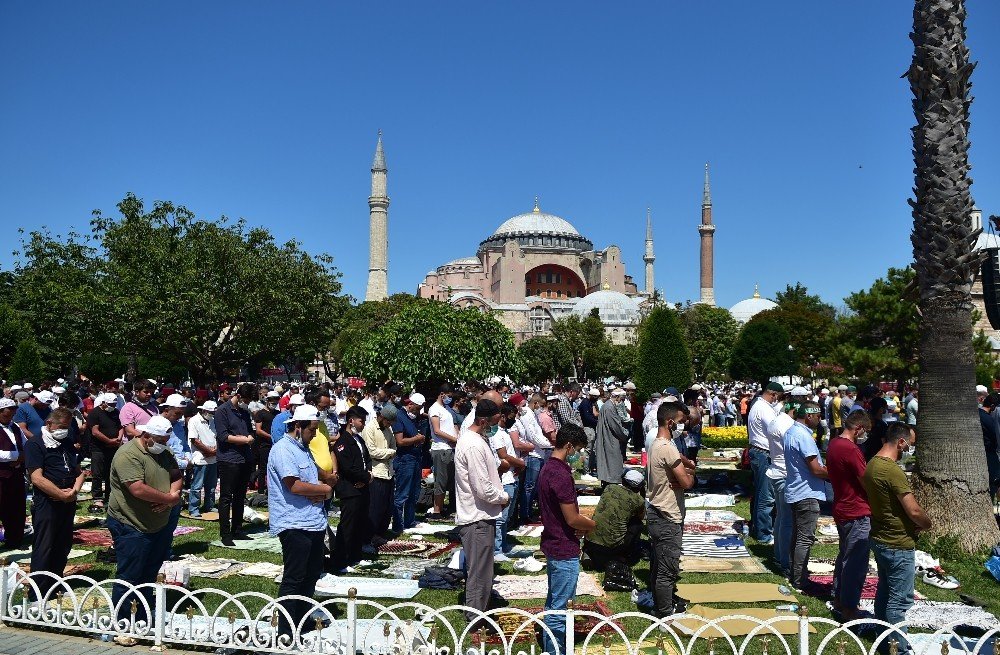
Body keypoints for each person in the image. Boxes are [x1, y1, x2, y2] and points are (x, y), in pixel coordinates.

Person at [106, 415, 181, 642]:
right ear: (146, 436)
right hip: (131, 523)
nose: (164, 444)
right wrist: (168, 499)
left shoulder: (163, 452)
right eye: (160, 439)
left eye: (166, 440)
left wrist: (174, 495)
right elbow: (137, 489)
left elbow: (176, 475)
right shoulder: (128, 455)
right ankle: (122, 624)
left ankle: (142, 618)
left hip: (158, 524)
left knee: (149, 572)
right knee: (130, 574)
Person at [863, 422, 931, 654]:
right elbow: (913, 510)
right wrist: (926, 523)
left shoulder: (872, 464)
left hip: (882, 536)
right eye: (910, 444)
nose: (909, 449)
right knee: (898, 601)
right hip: (897, 541)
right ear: (901, 442)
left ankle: (884, 642)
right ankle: (897, 649)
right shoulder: (892, 470)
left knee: (885, 593)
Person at [267, 404, 332, 639]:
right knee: (294, 577)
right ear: (297, 426)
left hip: (312, 520)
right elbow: (293, 485)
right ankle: (285, 629)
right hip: (294, 523)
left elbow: (310, 480)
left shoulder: (303, 449)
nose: (314, 434)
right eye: (311, 430)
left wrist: (320, 489)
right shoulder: (283, 449)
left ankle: (301, 619)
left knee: (312, 572)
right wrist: (323, 489)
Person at [538, 423, 595, 655]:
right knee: (559, 608)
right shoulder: (560, 474)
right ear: (569, 446)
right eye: (578, 450)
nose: (578, 456)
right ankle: (555, 650)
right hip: (563, 547)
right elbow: (572, 518)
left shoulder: (547, 468)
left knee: (554, 601)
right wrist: (592, 525)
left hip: (554, 541)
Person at [453, 399, 510, 620]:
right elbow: (482, 487)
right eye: (494, 422)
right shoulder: (473, 444)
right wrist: (503, 497)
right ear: (483, 420)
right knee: (479, 572)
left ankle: (480, 610)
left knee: (483, 569)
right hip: (477, 516)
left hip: (481, 514)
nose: (496, 426)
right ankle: (475, 616)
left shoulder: (477, 439)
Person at [25, 407, 84, 599]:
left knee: (62, 543)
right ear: (49, 424)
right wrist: (59, 494)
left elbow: (79, 471)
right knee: (45, 546)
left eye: (67, 427)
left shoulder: (65, 442)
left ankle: (55, 584)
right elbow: (37, 478)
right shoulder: (35, 444)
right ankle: (38, 591)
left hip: (67, 498)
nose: (64, 430)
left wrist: (73, 492)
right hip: (47, 501)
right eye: (61, 426)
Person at [646, 402, 695, 617]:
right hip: (667, 515)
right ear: (670, 421)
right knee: (667, 568)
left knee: (659, 564)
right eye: (681, 421)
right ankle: (665, 613)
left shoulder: (657, 445)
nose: (682, 425)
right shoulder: (666, 447)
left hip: (658, 511)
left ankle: (663, 603)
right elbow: (686, 483)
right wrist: (691, 475)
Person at [825, 411, 873, 621]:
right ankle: (849, 607)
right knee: (855, 561)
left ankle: (839, 597)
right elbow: (865, 480)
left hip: (843, 506)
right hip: (856, 509)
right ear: (859, 428)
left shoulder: (834, 444)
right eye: (866, 432)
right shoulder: (850, 449)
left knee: (845, 555)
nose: (865, 436)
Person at [782, 400, 827, 591]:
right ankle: (800, 579)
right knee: (804, 538)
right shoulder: (804, 436)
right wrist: (839, 476)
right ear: (809, 415)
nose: (819, 420)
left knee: (798, 536)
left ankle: (794, 573)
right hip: (806, 492)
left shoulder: (791, 432)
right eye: (817, 416)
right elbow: (816, 469)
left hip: (796, 489)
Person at [214, 383, 256, 546]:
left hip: (245, 457)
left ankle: (237, 529)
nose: (248, 403)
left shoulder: (244, 412)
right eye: (246, 399)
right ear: (238, 395)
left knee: (240, 496)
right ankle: (225, 533)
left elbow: (249, 431)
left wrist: (249, 437)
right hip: (228, 458)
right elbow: (224, 436)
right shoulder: (222, 411)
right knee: (226, 497)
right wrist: (244, 440)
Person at [331, 406, 372, 573]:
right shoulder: (342, 443)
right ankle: (341, 559)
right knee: (347, 526)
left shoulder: (359, 439)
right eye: (361, 420)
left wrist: (367, 476)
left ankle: (356, 555)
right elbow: (348, 468)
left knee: (360, 524)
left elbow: (367, 459)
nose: (363, 424)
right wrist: (364, 477)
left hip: (362, 488)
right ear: (351, 421)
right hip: (350, 489)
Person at [582, 469, 646, 569]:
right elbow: (641, 517)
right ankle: (623, 555)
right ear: (639, 487)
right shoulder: (638, 500)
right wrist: (643, 494)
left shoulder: (609, 488)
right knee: (637, 524)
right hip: (612, 547)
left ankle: (588, 552)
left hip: (590, 541)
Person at [747, 382, 783, 543]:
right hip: (763, 453)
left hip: (758, 451)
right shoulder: (764, 408)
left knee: (761, 492)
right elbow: (776, 430)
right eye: (778, 397)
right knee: (766, 496)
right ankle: (764, 534)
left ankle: (757, 528)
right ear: (773, 394)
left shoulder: (759, 405)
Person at [492, 402, 525, 561]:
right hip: (504, 480)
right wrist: (520, 463)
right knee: (501, 517)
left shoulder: (505, 432)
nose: (514, 420)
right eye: (511, 417)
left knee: (507, 517)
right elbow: (503, 455)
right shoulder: (497, 434)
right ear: (503, 416)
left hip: (512, 477)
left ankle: (503, 546)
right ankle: (496, 549)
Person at [362, 404, 398, 545]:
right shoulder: (370, 429)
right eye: (388, 421)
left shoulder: (388, 429)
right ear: (381, 417)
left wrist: (389, 453)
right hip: (376, 473)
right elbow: (372, 452)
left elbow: (394, 447)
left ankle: (381, 533)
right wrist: (389, 453)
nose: (389, 424)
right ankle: (370, 536)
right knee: (375, 508)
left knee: (387, 507)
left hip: (388, 472)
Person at [391, 393, 426, 532]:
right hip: (404, 459)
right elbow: (400, 441)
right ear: (410, 404)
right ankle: (397, 524)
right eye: (417, 408)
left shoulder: (414, 418)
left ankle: (409, 520)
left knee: (414, 492)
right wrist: (417, 439)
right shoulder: (399, 416)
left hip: (415, 457)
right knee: (402, 493)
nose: (418, 412)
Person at [85, 393, 123, 513]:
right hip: (98, 448)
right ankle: (97, 497)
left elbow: (120, 426)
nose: (112, 406)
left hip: (113, 447)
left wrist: (119, 438)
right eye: (110, 404)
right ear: (103, 402)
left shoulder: (115, 412)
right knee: (97, 472)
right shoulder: (95, 413)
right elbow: (95, 432)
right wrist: (109, 440)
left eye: (114, 404)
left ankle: (109, 494)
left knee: (110, 472)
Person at [427, 384, 457, 520]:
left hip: (449, 448)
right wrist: (453, 439)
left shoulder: (447, 409)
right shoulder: (434, 409)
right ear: (442, 394)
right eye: (448, 395)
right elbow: (437, 430)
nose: (449, 398)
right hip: (441, 449)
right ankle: (436, 511)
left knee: (448, 481)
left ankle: (443, 508)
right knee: (441, 480)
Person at [0, 398, 27, 548]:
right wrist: (16, 456)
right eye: (7, 412)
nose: (11, 415)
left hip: (15, 474)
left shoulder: (15, 427)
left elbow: (24, 445)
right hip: (1, 474)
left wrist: (22, 456)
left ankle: (15, 539)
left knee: (16, 508)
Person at [187, 400, 218, 516]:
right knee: (197, 485)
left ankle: (209, 505)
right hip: (200, 457)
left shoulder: (213, 421)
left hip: (213, 457)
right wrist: (208, 451)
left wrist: (214, 451)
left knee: (211, 485)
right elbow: (194, 440)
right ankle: (194, 508)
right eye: (210, 412)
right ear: (204, 410)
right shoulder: (194, 421)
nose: (211, 414)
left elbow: (218, 436)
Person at [594, 389, 630, 486]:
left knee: (608, 463)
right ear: (617, 397)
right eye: (621, 399)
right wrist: (625, 433)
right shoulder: (609, 407)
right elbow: (615, 426)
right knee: (612, 464)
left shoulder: (607, 406)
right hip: (610, 440)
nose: (621, 402)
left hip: (608, 438)